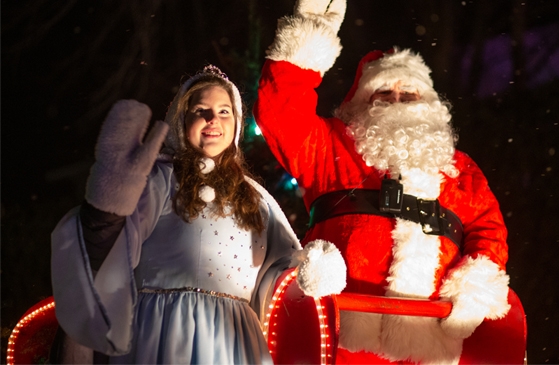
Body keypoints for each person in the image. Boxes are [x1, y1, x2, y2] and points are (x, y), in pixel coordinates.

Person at [253, 0, 511, 364]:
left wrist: (475, 283)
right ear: (362, 102)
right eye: (383, 94)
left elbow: (488, 229)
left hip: (429, 341)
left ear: (429, 105)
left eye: (409, 95)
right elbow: (278, 111)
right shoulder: (331, 146)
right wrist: (310, 34)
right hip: (341, 333)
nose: (397, 102)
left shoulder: (459, 168)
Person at [50, 65, 346, 364]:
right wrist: (109, 202)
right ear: (182, 120)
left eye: (224, 111)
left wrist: (308, 269)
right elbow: (108, 244)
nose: (212, 119)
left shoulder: (255, 197)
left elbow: (279, 267)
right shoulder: (158, 180)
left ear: (236, 122)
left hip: (233, 337)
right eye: (200, 109)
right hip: (161, 327)